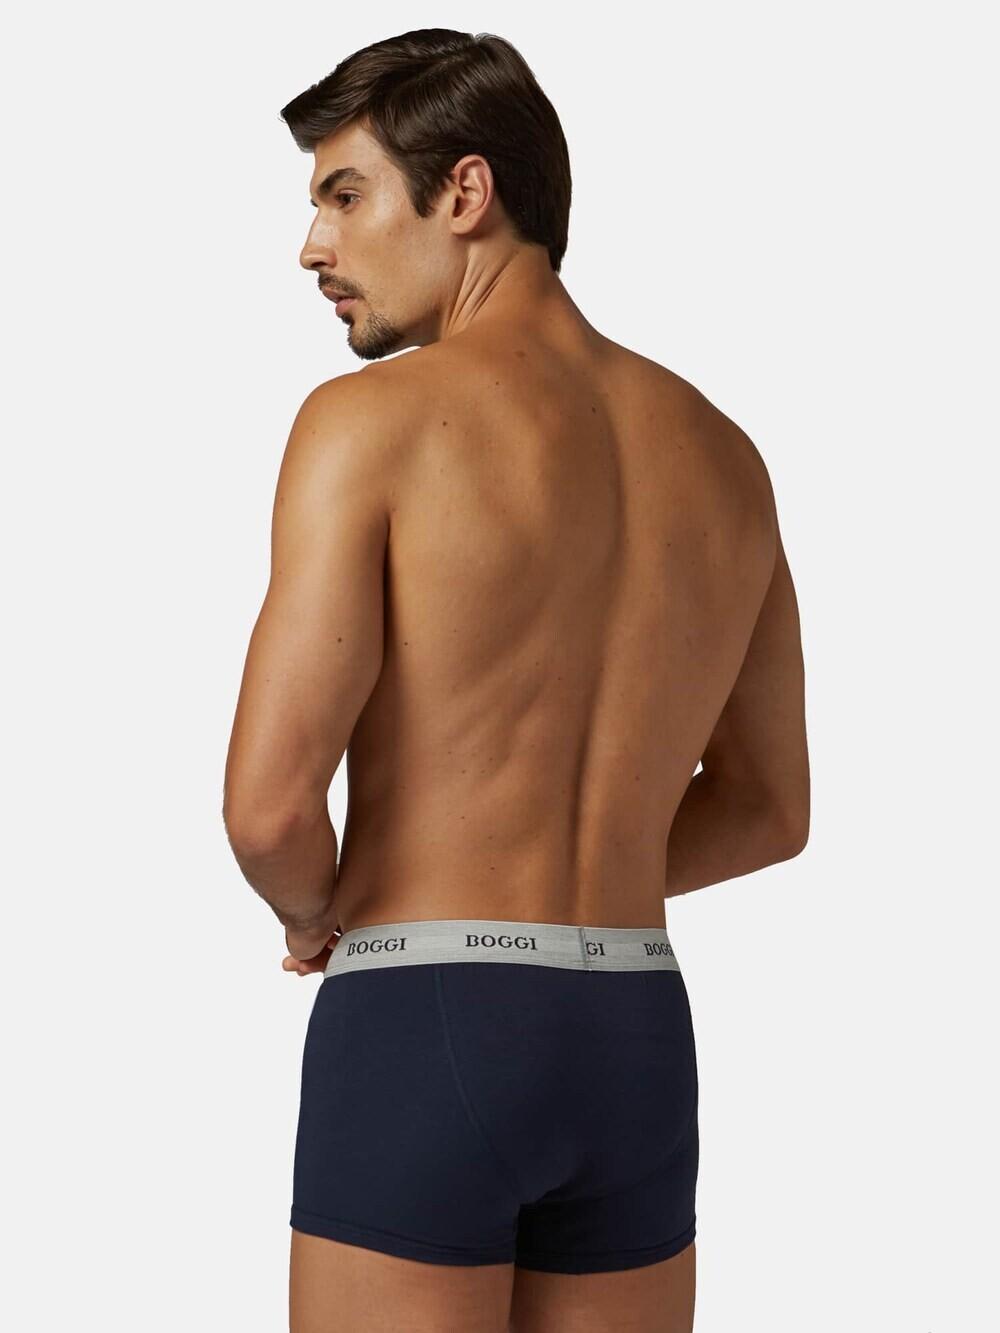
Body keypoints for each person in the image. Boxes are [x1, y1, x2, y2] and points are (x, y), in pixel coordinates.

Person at [222, 26, 810, 1333]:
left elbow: (267, 809)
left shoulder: (367, 424)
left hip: (426, 1014)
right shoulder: (727, 459)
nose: (313, 245)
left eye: (345, 194)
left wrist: (321, 914)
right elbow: (772, 808)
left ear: (466, 193)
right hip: (635, 1031)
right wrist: (581, 862)